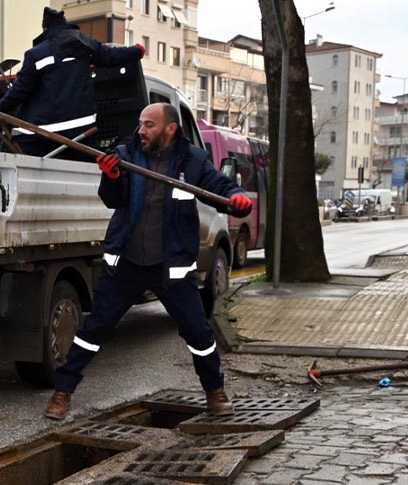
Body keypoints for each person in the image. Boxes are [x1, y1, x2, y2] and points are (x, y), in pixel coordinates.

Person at [44, 102, 253, 421]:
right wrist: (112, 176)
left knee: (199, 333)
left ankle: (215, 391)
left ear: (170, 129)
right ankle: (63, 393)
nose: (141, 130)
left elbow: (218, 188)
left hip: (172, 270)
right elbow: (112, 200)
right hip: (126, 266)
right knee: (93, 330)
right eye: (140, 123)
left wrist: (237, 199)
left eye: (149, 125)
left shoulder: (192, 160)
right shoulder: (126, 156)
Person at [0, 7, 144, 158]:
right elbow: (111, 55)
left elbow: (20, 89)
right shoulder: (84, 45)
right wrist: (137, 51)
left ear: (45, 28)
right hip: (81, 133)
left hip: (42, 135)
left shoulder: (36, 54)